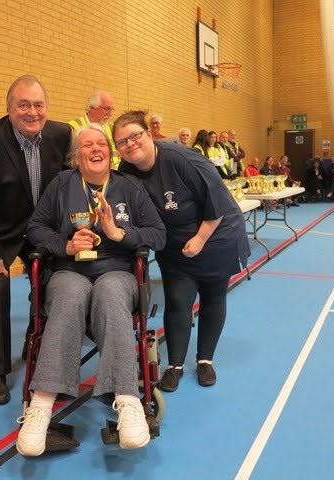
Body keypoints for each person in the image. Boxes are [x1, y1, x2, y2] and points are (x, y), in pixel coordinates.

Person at [16, 126, 166, 456]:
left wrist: (117, 233)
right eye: (87, 145)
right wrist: (65, 245)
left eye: (101, 144)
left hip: (116, 270)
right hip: (70, 269)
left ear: (110, 153)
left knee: (111, 295)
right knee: (69, 295)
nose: (95, 149)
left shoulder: (130, 187)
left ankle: (127, 402)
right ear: (76, 155)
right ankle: (40, 408)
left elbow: (158, 235)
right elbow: (35, 227)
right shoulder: (61, 184)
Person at [113, 111, 250, 392]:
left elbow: (218, 202)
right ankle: (174, 365)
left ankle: (205, 360)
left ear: (149, 135)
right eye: (122, 141)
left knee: (213, 296)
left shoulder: (182, 159)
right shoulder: (126, 171)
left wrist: (200, 238)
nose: (130, 144)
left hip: (215, 233)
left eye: (135, 136)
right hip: (174, 243)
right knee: (177, 300)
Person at [0, 75, 71, 405]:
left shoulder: (62, 134)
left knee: (55, 281)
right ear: (9, 108)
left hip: (41, 228)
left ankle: (34, 343)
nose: (32, 112)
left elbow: (70, 183)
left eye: (38, 104)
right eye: (23, 104)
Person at [68, 91, 119, 169]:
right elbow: (71, 160)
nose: (110, 114)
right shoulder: (73, 127)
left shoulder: (111, 127)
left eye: (112, 109)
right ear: (92, 107)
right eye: (107, 109)